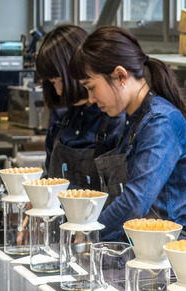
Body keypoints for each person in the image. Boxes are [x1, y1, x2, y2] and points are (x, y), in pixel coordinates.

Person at [70, 26, 186, 241]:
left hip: (166, 251)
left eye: (91, 87)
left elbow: (135, 202)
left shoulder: (160, 122)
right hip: (139, 244)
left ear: (120, 75)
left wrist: (90, 235)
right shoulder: (133, 119)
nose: (90, 98)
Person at [35, 24, 123, 186]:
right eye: (52, 82)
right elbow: (49, 172)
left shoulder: (114, 116)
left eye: (59, 80)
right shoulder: (61, 115)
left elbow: (121, 192)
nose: (58, 91)